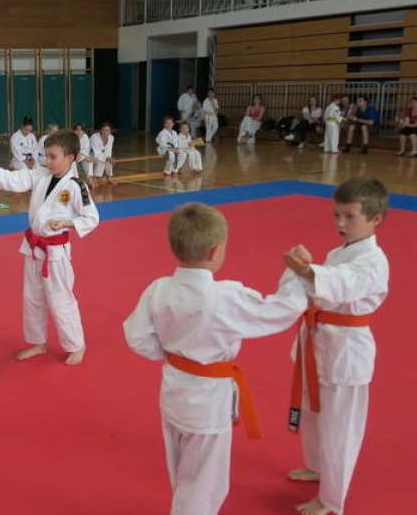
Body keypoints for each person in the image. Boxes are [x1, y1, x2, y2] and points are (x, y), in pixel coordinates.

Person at [123, 202, 306, 515]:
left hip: (173, 392)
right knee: (205, 482)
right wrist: (296, 275)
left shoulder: (159, 289)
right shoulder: (224, 296)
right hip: (207, 404)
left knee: (183, 473)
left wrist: (170, 355)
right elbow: (280, 311)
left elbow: (136, 335)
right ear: (214, 251)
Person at [283, 177, 390, 515]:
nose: (341, 224)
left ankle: (331, 501)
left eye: (350, 217)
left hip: (346, 351)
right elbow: (319, 289)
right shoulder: (339, 252)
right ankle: (318, 468)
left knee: (340, 428)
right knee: (315, 414)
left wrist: (309, 270)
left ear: (375, 219)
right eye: (337, 216)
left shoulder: (374, 260)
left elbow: (341, 285)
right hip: (321, 343)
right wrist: (305, 268)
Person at [0, 130, 99, 366]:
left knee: (60, 298)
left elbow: (91, 218)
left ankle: (76, 344)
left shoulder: (75, 186)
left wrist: (67, 222)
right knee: (32, 297)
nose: (47, 161)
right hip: (33, 248)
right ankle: (37, 342)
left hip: (56, 253)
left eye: (53, 157)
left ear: (71, 157)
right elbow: (15, 180)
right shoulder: (41, 174)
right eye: (46, 156)